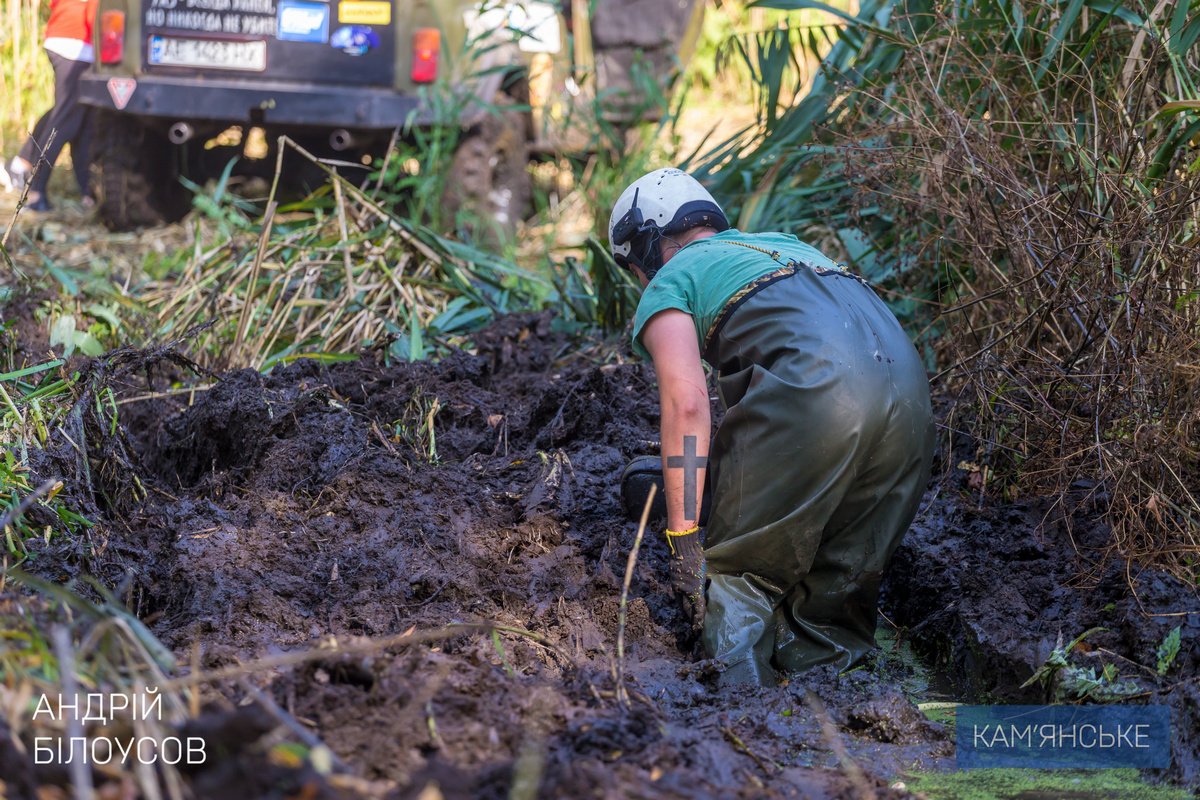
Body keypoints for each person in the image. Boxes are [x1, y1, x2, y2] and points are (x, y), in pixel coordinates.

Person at [610, 168, 935, 686]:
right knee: (839, 584)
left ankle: (744, 719)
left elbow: (687, 404)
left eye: (635, 271)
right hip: (912, 405)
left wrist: (685, 536)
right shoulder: (786, 247)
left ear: (650, 247)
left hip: (817, 395)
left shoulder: (675, 275)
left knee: (743, 575)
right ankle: (846, 722)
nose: (642, 285)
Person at [1, 0, 98, 211]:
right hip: (75, 43)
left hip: (70, 40)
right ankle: (34, 192)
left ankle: (86, 192)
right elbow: (94, 12)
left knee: (75, 115)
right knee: (66, 121)